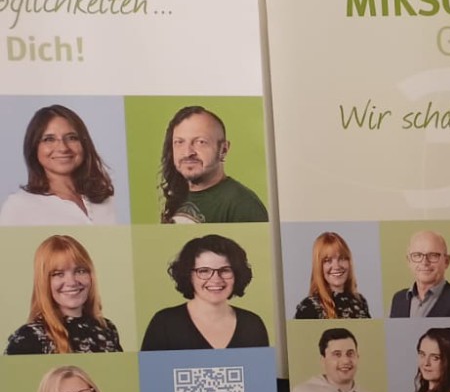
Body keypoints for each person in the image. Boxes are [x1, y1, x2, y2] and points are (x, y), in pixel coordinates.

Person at [140, 234, 270, 350]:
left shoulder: (252, 324)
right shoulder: (164, 324)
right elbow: (152, 370)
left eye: (225, 270)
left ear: (237, 274)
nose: (216, 279)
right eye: (204, 271)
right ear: (188, 275)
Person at [0, 104, 119, 225]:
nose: (63, 148)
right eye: (49, 139)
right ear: (34, 148)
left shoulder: (108, 201)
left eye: (72, 138)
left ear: (84, 143)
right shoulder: (18, 207)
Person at [6, 234, 123, 354]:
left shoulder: (107, 329)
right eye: (58, 274)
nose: (71, 282)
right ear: (44, 282)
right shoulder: (28, 338)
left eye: (80, 271)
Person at [157, 105, 267, 223]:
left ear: (223, 149)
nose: (187, 152)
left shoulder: (243, 205)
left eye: (200, 142)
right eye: (179, 142)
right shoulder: (175, 193)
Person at [389, 230, 450, 318]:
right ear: (409, 261)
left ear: (447, 261)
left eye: (433, 255)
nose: (424, 262)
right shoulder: (398, 300)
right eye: (417, 255)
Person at [290, 327, 379, 392]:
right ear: (323, 360)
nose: (345, 361)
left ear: (357, 357)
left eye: (350, 353)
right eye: (337, 354)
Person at [293, 231, 371, 319]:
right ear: (319, 266)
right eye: (328, 260)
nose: (336, 266)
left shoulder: (360, 302)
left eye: (342, 258)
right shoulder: (309, 307)